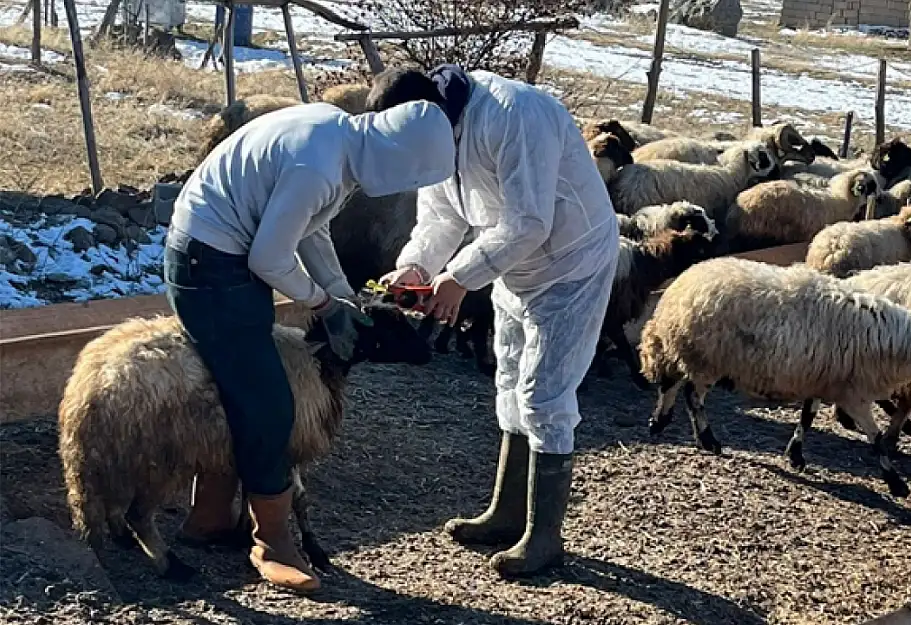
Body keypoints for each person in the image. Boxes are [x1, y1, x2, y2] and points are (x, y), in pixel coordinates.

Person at [165, 99, 456, 593]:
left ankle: (209, 518)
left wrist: (342, 293)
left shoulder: (336, 139)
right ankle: (272, 540)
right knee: (268, 401)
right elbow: (270, 258)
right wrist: (323, 304)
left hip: (219, 255)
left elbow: (310, 229)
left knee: (238, 387)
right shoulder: (316, 165)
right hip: (211, 263)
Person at [373, 64, 620, 578]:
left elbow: (531, 220)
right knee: (509, 383)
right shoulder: (435, 133)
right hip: (511, 264)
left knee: (544, 394)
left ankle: (545, 536)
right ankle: (507, 514)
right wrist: (416, 266)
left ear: (432, 116)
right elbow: (442, 216)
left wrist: (461, 275)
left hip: (570, 260)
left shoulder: (513, 115)